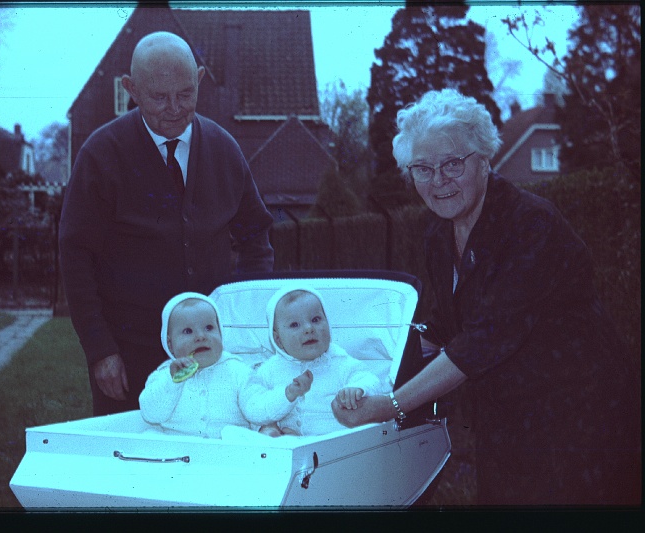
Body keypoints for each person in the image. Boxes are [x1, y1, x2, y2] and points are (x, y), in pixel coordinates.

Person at [331, 88, 639, 506]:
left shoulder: (531, 225)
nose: (438, 181)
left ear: (484, 159)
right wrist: (354, 356)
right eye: (422, 168)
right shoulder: (440, 234)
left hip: (580, 416)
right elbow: (444, 326)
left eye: (452, 164)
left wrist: (390, 405)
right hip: (509, 419)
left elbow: (481, 341)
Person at [59, 32, 274, 417]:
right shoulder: (100, 154)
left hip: (215, 356)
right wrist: (100, 350)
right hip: (128, 356)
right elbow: (76, 256)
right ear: (132, 89)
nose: (175, 108)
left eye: (186, 94)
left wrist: (241, 318)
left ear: (200, 79)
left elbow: (255, 235)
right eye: (159, 97)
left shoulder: (224, 149)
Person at [241, 285, 384, 437]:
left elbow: (372, 381)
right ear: (278, 339)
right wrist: (285, 396)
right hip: (291, 445)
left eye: (316, 320)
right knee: (241, 432)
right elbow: (254, 408)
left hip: (336, 443)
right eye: (295, 325)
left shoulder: (340, 362)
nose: (309, 328)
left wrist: (358, 388)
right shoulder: (269, 370)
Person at [139, 293, 253, 438]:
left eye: (209, 328)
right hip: (179, 450)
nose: (200, 336)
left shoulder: (237, 370)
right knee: (150, 436)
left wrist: (264, 427)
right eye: (188, 331)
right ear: (170, 344)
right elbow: (150, 415)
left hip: (226, 448)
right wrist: (172, 382)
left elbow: (256, 406)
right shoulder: (164, 375)